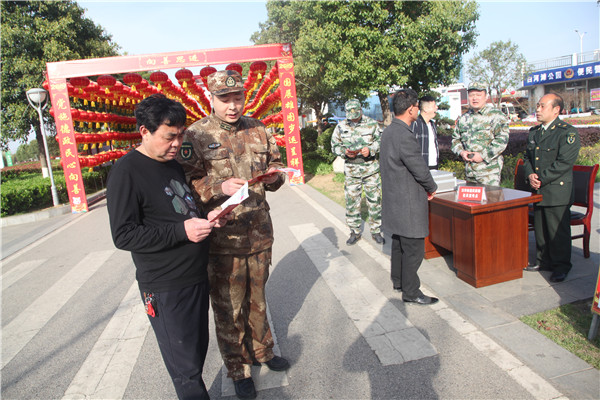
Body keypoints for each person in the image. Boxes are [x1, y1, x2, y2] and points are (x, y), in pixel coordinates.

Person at [107, 94, 227, 400]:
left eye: (180, 135)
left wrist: (207, 220)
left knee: (196, 355)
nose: (176, 143)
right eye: (168, 136)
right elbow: (124, 235)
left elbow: (181, 210)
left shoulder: (172, 165)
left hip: (194, 277)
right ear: (144, 131)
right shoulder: (126, 172)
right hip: (166, 286)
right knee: (185, 370)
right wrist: (182, 231)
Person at [178, 70, 289, 400]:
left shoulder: (258, 129)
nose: (232, 105)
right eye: (224, 99)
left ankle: (263, 351)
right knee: (228, 306)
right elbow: (185, 183)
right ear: (211, 99)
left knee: (258, 297)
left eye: (237, 98)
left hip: (258, 232)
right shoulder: (196, 135)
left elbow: (276, 167)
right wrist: (217, 186)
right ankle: (237, 368)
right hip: (223, 239)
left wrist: (274, 179)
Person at [380, 89, 439, 305]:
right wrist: (431, 187)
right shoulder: (404, 134)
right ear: (411, 109)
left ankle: (399, 282)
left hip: (394, 197)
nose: (417, 109)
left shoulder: (388, 131)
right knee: (413, 248)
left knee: (398, 244)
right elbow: (419, 168)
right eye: (416, 106)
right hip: (407, 200)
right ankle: (412, 292)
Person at [522, 93, 580, 282]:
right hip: (539, 189)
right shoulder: (535, 132)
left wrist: (541, 179)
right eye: (537, 106)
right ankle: (543, 260)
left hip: (556, 189)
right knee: (541, 228)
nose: (537, 110)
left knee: (557, 231)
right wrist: (530, 174)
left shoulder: (567, 132)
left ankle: (561, 266)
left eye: (542, 106)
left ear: (556, 110)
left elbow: (564, 163)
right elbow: (527, 158)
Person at [331, 98, 384, 245]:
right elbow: (334, 146)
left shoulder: (372, 124)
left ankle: (376, 230)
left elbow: (381, 141)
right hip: (352, 170)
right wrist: (344, 152)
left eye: (356, 113)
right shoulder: (341, 126)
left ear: (360, 110)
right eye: (350, 114)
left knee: (374, 201)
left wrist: (371, 149)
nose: (353, 117)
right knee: (352, 202)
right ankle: (354, 231)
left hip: (370, 169)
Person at [451, 82, 509, 185]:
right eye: (472, 95)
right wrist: (461, 152)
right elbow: (455, 140)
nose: (475, 98)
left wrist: (482, 155)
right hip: (470, 173)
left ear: (486, 96)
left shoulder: (496, 116)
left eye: (478, 95)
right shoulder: (464, 118)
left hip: (489, 174)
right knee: (471, 201)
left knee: (491, 200)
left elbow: (501, 141)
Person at [411, 95, 439, 169]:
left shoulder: (432, 125)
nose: (436, 108)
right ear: (425, 109)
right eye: (434, 106)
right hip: (421, 167)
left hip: (434, 165)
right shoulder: (415, 123)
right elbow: (410, 147)